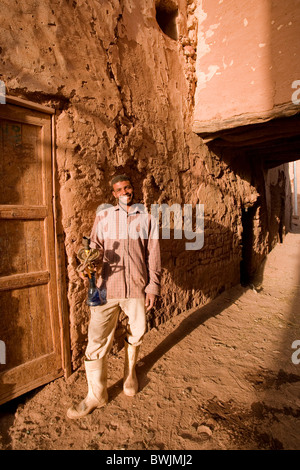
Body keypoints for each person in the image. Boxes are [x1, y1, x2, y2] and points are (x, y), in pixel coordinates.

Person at [67, 174, 161, 419]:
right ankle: (96, 395)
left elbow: (153, 255)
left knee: (137, 332)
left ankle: (130, 375)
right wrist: (88, 261)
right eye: (118, 189)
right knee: (96, 339)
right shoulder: (104, 217)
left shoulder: (147, 218)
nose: (124, 192)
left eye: (127, 187)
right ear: (113, 194)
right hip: (106, 288)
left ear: (133, 189)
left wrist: (152, 287)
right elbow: (95, 246)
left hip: (137, 287)